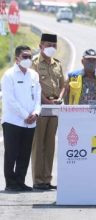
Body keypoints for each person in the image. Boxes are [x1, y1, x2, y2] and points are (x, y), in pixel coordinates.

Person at [1, 45, 41, 191]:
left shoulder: (34, 75)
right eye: (25, 56)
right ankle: (10, 183)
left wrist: (36, 113)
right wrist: (25, 115)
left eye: (30, 57)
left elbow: (37, 96)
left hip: (30, 122)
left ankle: (20, 181)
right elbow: (10, 100)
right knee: (11, 153)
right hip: (13, 121)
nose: (28, 59)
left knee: (25, 154)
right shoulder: (9, 75)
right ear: (17, 58)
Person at [31, 33, 65, 190]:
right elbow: (34, 87)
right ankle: (38, 180)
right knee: (39, 143)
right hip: (41, 106)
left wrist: (60, 98)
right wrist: (47, 101)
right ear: (40, 46)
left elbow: (64, 84)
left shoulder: (57, 64)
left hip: (54, 107)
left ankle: (47, 178)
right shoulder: (35, 63)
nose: (51, 48)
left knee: (50, 143)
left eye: (54, 45)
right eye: (48, 45)